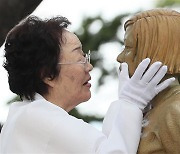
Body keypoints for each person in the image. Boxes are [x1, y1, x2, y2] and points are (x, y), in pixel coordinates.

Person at [0, 15, 174, 154]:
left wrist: (124, 105)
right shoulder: (34, 118)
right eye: (80, 58)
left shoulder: (28, 116)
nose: (89, 66)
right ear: (48, 74)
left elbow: (102, 145)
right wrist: (131, 103)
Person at [117, 8, 180, 154]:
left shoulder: (174, 110)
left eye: (128, 47)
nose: (120, 57)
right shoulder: (155, 108)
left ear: (157, 52)